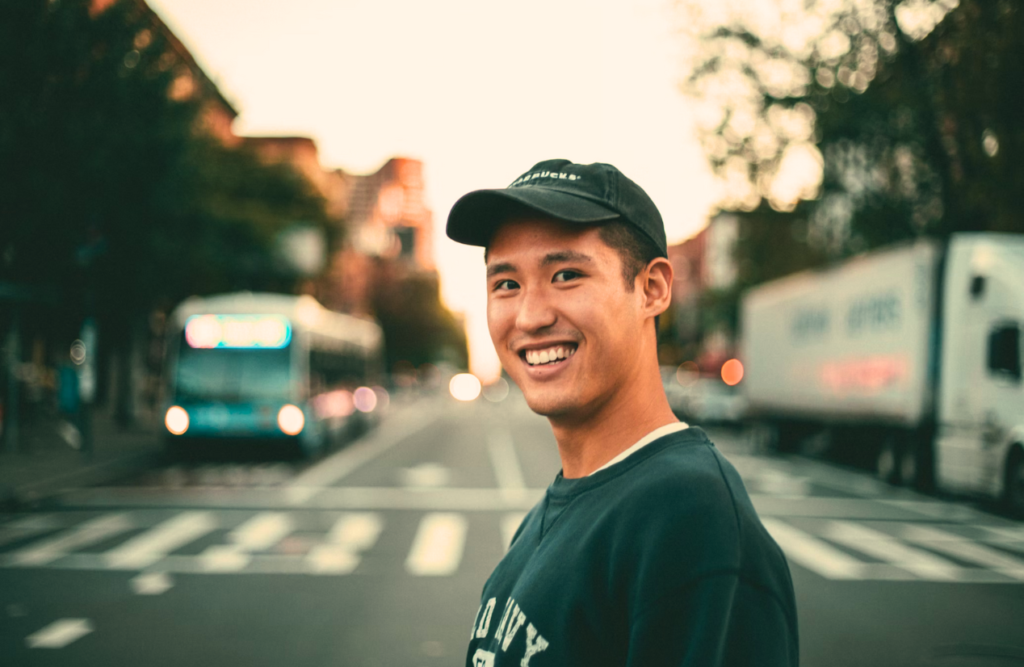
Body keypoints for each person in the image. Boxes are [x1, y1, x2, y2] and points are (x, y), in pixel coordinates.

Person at [446, 159, 799, 667]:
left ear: (652, 289)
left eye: (566, 275)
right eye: (506, 284)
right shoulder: (561, 508)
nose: (530, 315)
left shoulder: (688, 518)